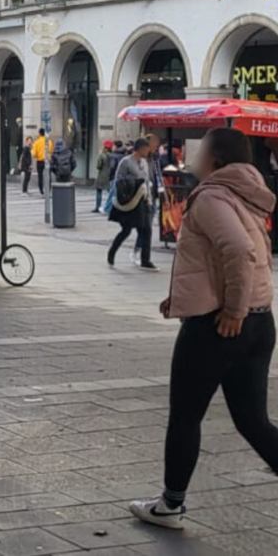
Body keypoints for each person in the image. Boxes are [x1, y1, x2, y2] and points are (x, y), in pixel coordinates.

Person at [130, 128, 278, 530]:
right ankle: (171, 502)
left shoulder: (213, 196)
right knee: (252, 420)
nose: (194, 156)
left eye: (202, 149)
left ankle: (170, 505)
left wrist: (232, 309)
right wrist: (181, 298)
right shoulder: (245, 194)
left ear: (215, 160)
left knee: (185, 416)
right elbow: (222, 258)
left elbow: (239, 252)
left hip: (219, 327)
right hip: (260, 321)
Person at [108, 137, 157, 271]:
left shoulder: (145, 162)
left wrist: (149, 197)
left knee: (146, 230)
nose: (148, 151)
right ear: (139, 149)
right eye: (146, 149)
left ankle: (145, 260)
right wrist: (134, 183)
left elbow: (147, 181)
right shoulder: (126, 162)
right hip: (130, 201)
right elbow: (119, 181)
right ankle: (112, 252)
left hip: (143, 201)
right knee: (126, 231)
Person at [133, 132, 164, 265]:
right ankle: (141, 255)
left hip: (152, 196)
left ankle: (138, 252)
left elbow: (157, 176)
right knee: (146, 228)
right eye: (153, 145)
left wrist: (162, 192)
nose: (155, 147)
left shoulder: (154, 159)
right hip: (142, 198)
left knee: (147, 228)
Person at [94, 139, 113, 213]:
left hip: (102, 175)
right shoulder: (112, 155)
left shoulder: (102, 155)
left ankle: (98, 207)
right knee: (110, 192)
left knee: (99, 191)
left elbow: (99, 166)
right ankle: (109, 206)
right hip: (109, 175)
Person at [32, 128, 53, 195]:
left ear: (39, 133)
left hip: (39, 161)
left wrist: (38, 155)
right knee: (48, 176)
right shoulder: (49, 142)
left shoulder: (36, 142)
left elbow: (34, 154)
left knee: (40, 176)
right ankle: (48, 190)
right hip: (47, 161)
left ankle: (41, 190)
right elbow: (50, 151)